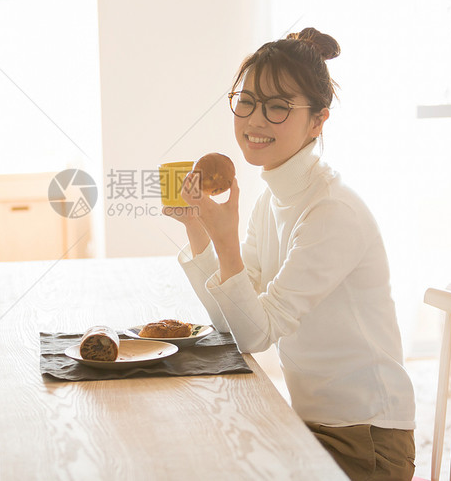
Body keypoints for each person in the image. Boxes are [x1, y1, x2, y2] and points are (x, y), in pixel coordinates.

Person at [164, 28, 416, 480]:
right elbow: (237, 327)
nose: (255, 119)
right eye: (247, 101)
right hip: (312, 425)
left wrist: (224, 241)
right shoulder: (272, 199)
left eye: (278, 106)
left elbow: (259, 335)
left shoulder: (331, 211)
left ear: (318, 121)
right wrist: (198, 230)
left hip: (365, 441)